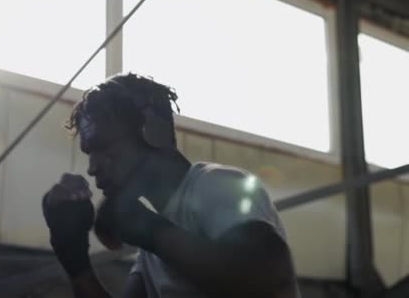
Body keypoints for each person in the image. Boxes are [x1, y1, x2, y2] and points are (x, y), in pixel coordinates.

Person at [41, 73, 299, 298]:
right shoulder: (154, 242)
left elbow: (270, 285)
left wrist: (154, 232)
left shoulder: (219, 185)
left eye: (106, 148)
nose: (93, 167)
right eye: (90, 154)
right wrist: (74, 257)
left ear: (154, 134)